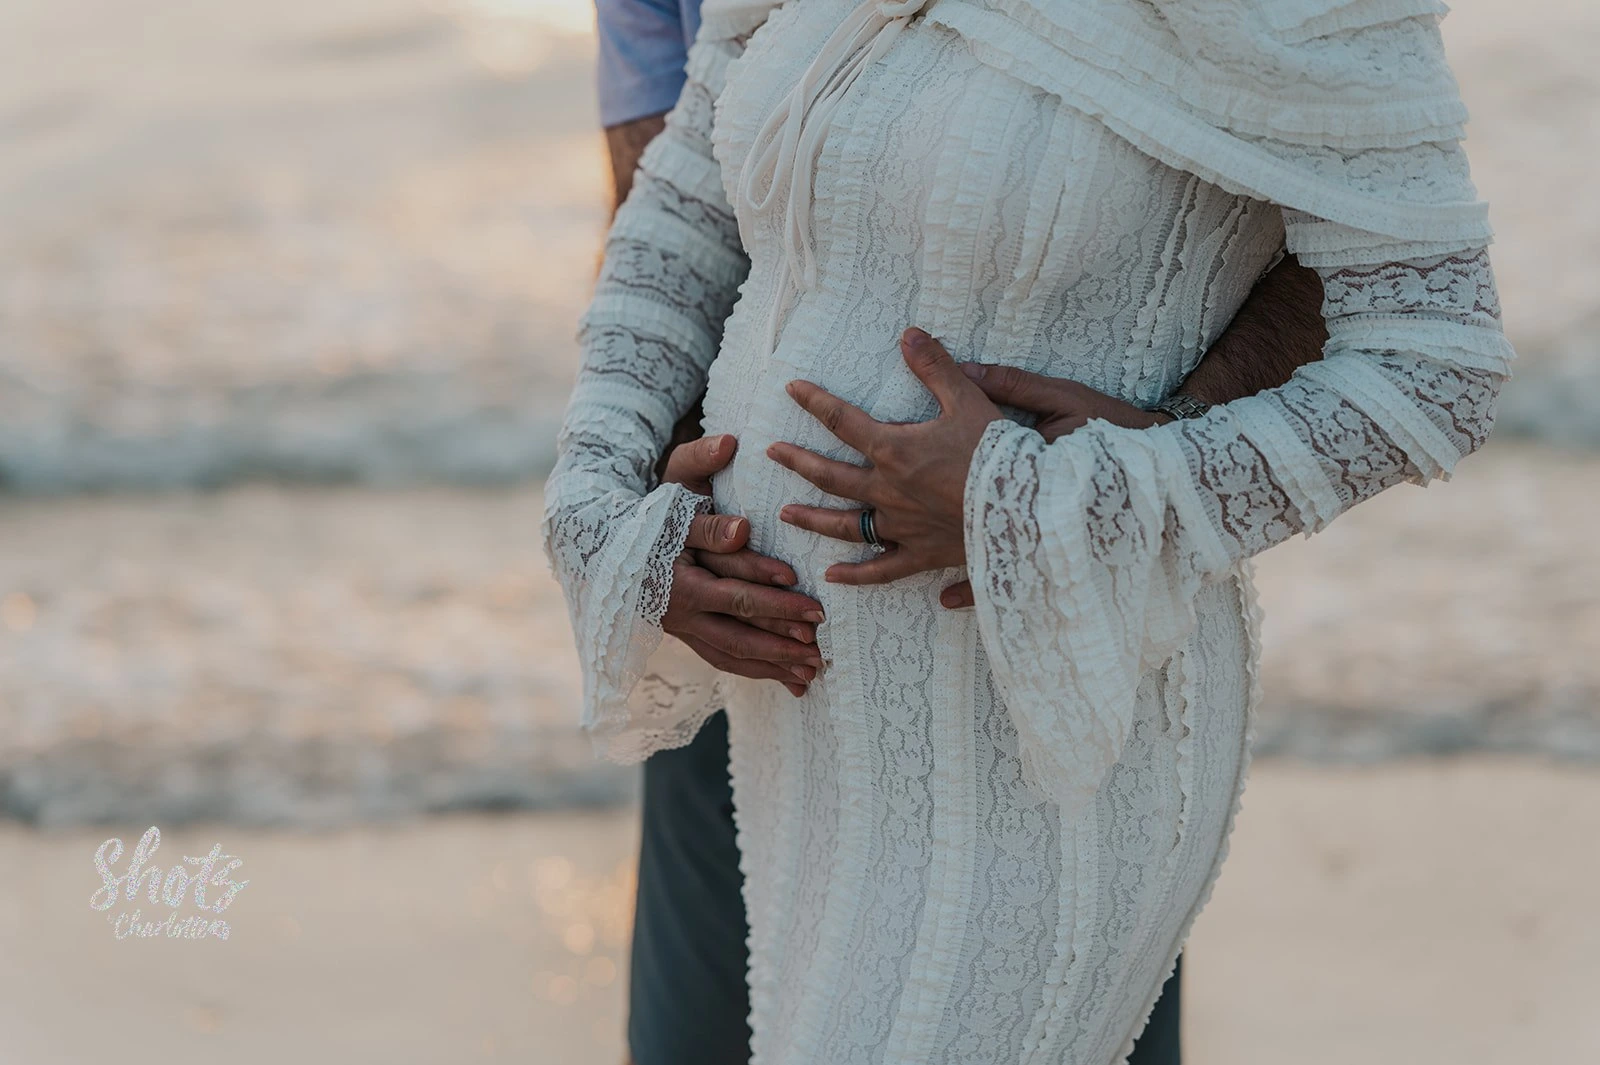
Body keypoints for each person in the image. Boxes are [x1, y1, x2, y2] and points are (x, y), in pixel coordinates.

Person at [551, 0, 1512, 1061]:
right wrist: (598, 503)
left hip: (1039, 735)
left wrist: (1063, 498)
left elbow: (1436, 362)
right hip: (803, 731)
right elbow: (678, 217)